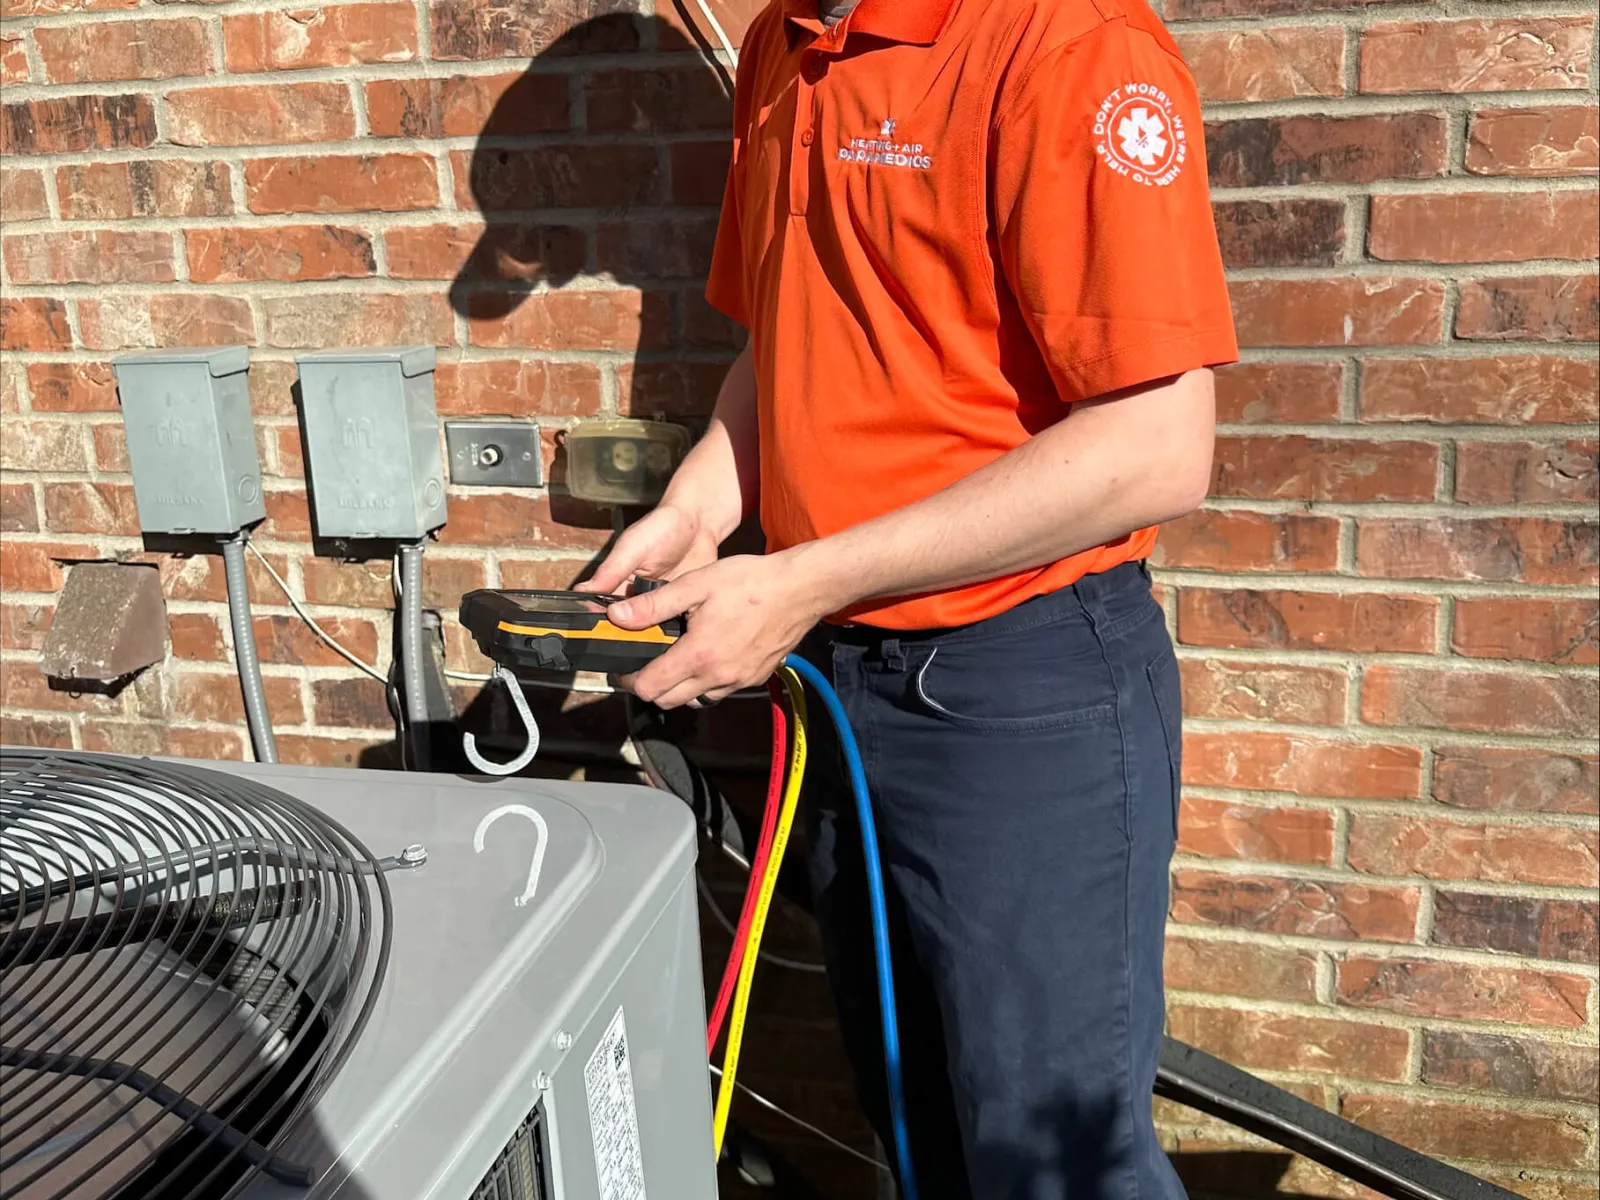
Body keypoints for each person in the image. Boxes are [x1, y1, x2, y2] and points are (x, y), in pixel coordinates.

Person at [581, 0, 1235, 1194]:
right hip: (844, 673)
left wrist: (804, 577)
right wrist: (697, 510)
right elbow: (792, 334)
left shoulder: (1069, 46)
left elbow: (1155, 444)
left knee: (1051, 1159)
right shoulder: (786, 42)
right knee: (916, 1120)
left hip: (1019, 687)